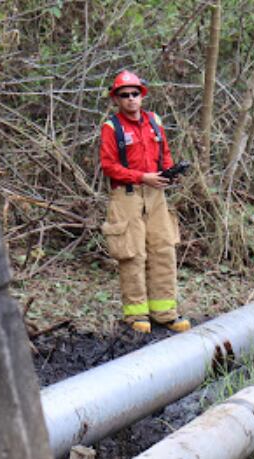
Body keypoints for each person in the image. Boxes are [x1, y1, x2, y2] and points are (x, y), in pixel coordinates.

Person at [99, 70, 191, 334]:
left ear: (142, 96)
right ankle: (136, 315)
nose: (130, 98)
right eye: (124, 95)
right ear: (116, 99)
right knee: (133, 254)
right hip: (126, 196)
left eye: (134, 93)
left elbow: (165, 154)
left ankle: (165, 313)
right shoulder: (112, 127)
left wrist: (169, 174)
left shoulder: (154, 121)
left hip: (156, 195)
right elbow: (108, 166)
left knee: (164, 249)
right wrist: (141, 177)